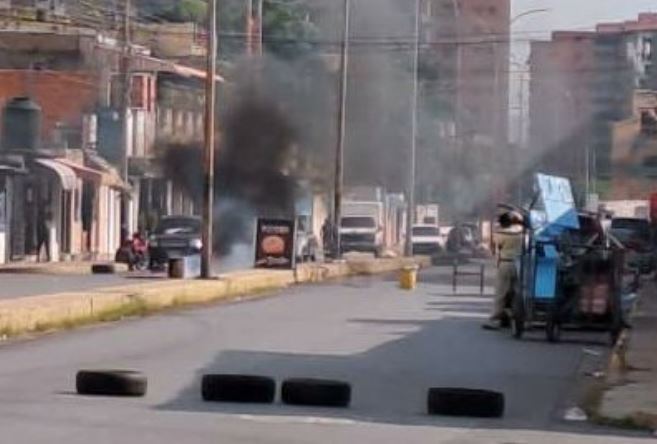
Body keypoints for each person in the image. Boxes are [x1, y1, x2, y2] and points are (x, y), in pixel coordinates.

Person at [483, 211, 524, 330]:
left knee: (501, 292)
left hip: (505, 263)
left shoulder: (502, 233)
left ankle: (496, 319)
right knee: (517, 292)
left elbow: (495, 246)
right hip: (520, 264)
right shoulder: (523, 232)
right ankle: (516, 318)